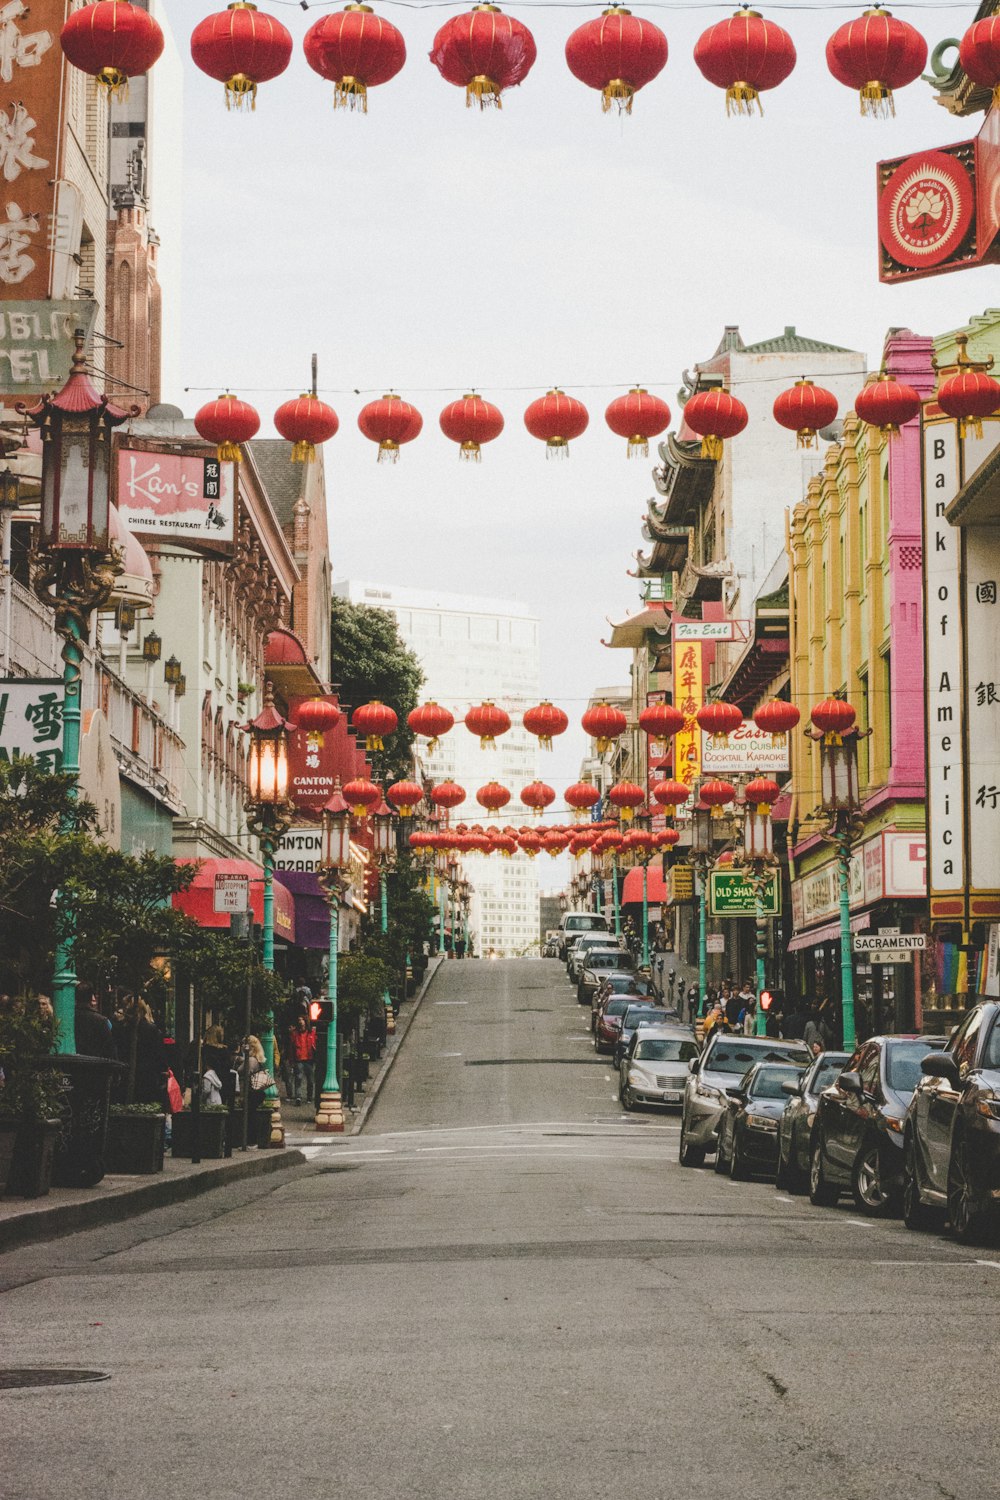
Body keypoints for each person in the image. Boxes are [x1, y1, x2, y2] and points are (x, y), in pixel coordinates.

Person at [74, 985, 115, 1059]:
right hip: (95, 1063)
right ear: (91, 998)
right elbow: (109, 1048)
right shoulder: (101, 1021)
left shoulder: (69, 1018)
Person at [202, 1023, 235, 1107]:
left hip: (209, 1081)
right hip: (223, 1081)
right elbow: (229, 1065)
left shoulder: (205, 1049)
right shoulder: (225, 1050)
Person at [288, 1015, 316, 1106]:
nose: (300, 1021)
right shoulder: (295, 1033)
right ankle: (298, 1097)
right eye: (299, 1020)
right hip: (299, 1059)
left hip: (309, 1059)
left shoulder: (311, 1032)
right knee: (298, 1078)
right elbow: (292, 1047)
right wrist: (292, 1060)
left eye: (302, 1020)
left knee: (310, 1080)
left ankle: (309, 1096)